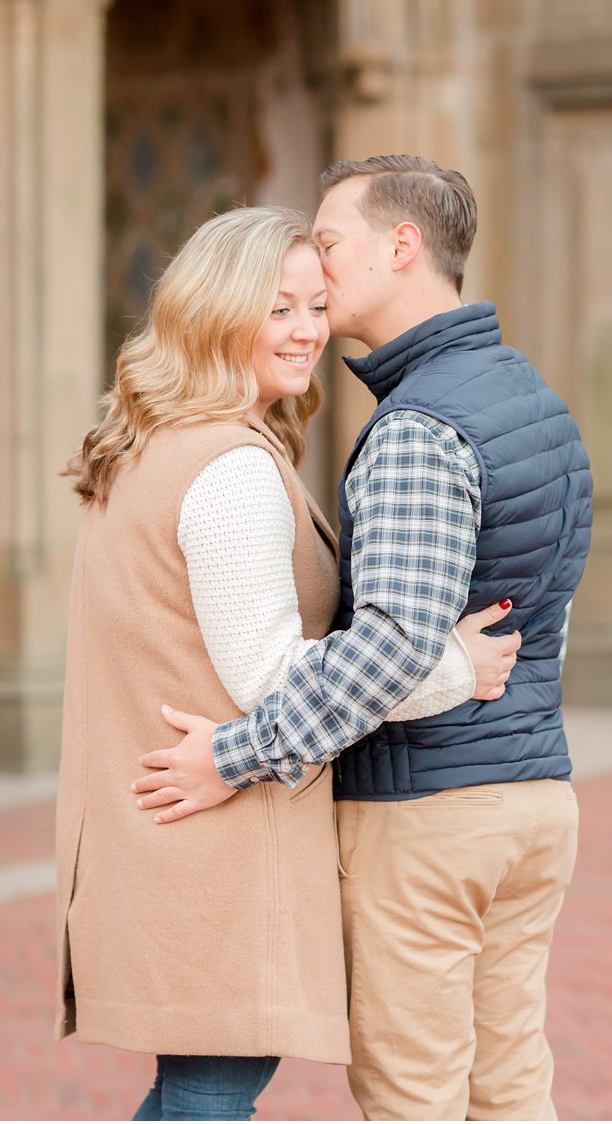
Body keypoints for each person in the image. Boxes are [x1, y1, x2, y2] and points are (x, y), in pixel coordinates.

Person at [132, 157, 593, 1120]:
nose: (318, 270)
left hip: (427, 816)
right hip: (534, 795)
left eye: (331, 244)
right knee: (509, 1086)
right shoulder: (530, 397)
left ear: (402, 245)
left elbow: (388, 646)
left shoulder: (420, 427)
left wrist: (232, 755)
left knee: (413, 1096)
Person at [55, 204, 521, 1122]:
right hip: (214, 845)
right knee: (211, 1091)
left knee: (202, 1088)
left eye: (316, 305)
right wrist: (453, 667)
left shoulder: (159, 445)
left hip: (162, 836)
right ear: (216, 312)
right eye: (279, 307)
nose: (307, 329)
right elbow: (272, 678)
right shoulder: (228, 467)